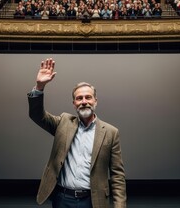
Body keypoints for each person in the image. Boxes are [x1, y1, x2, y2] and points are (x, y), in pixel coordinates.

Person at [27, 58, 126, 208]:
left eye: (88, 97)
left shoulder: (111, 132)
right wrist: (39, 87)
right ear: (74, 104)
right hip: (62, 199)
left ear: (95, 101)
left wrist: (119, 206)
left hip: (93, 201)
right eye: (79, 98)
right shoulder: (64, 122)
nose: (84, 101)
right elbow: (37, 115)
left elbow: (117, 175)